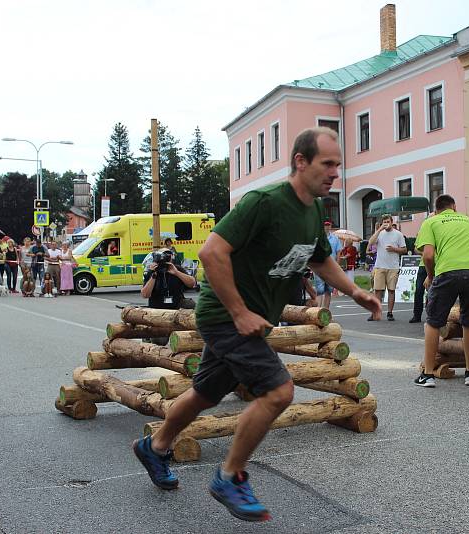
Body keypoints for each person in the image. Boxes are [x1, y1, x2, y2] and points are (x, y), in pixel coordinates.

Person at [131, 127, 380, 522]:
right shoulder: (263, 203)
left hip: (246, 320)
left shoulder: (314, 210)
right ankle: (229, 476)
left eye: (338, 164)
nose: (335, 172)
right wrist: (239, 311)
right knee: (280, 391)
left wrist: (355, 291)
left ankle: (155, 446)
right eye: (327, 163)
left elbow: (318, 258)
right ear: (301, 161)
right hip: (226, 317)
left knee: (204, 395)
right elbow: (211, 251)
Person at [414, 194, 469, 388]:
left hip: (447, 271)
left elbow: (428, 255)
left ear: (437, 209)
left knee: (433, 322)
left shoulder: (431, 222)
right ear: (454, 206)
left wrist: (430, 277)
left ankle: (428, 374)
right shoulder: (467, 221)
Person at [368, 214, 407, 321]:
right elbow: (370, 242)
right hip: (380, 266)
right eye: (384, 222)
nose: (386, 223)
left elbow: (404, 249)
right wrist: (379, 229)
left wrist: (394, 249)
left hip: (393, 266)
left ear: (391, 221)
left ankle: (390, 313)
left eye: (388, 221)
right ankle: (375, 312)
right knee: (378, 291)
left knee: (391, 290)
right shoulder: (380, 233)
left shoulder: (398, 234)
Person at [314, 221, 342, 308]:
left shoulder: (335, 238)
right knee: (320, 290)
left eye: (328, 225)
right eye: (325, 225)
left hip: (331, 267)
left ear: (331, 226)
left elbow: (338, 252)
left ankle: (326, 311)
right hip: (319, 266)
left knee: (328, 291)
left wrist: (337, 266)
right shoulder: (317, 238)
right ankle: (317, 312)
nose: (327, 227)